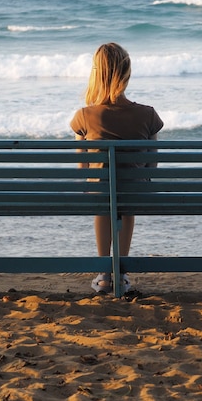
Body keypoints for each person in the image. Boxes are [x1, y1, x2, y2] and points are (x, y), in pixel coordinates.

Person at [70, 42, 163, 293]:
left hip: (100, 195)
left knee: (101, 195)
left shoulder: (84, 116)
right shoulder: (148, 115)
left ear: (96, 74)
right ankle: (121, 272)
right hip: (134, 194)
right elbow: (151, 166)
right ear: (127, 73)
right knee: (128, 197)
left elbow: (83, 168)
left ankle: (104, 273)